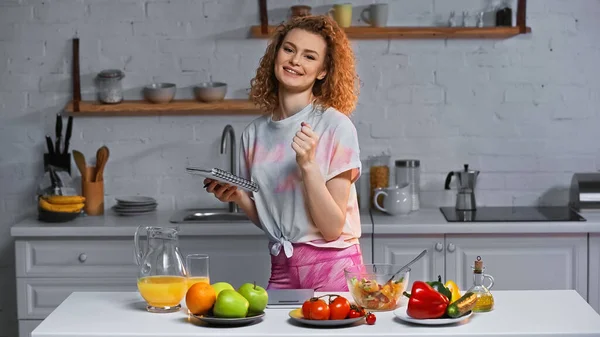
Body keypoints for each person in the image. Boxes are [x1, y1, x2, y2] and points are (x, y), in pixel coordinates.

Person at [204, 15, 362, 291]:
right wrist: (239, 197)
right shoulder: (254, 134)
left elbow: (332, 229)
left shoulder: (336, 126)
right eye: (289, 49)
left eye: (309, 56)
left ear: (323, 71)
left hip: (334, 268)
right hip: (282, 265)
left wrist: (309, 166)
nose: (295, 61)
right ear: (276, 53)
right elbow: (273, 219)